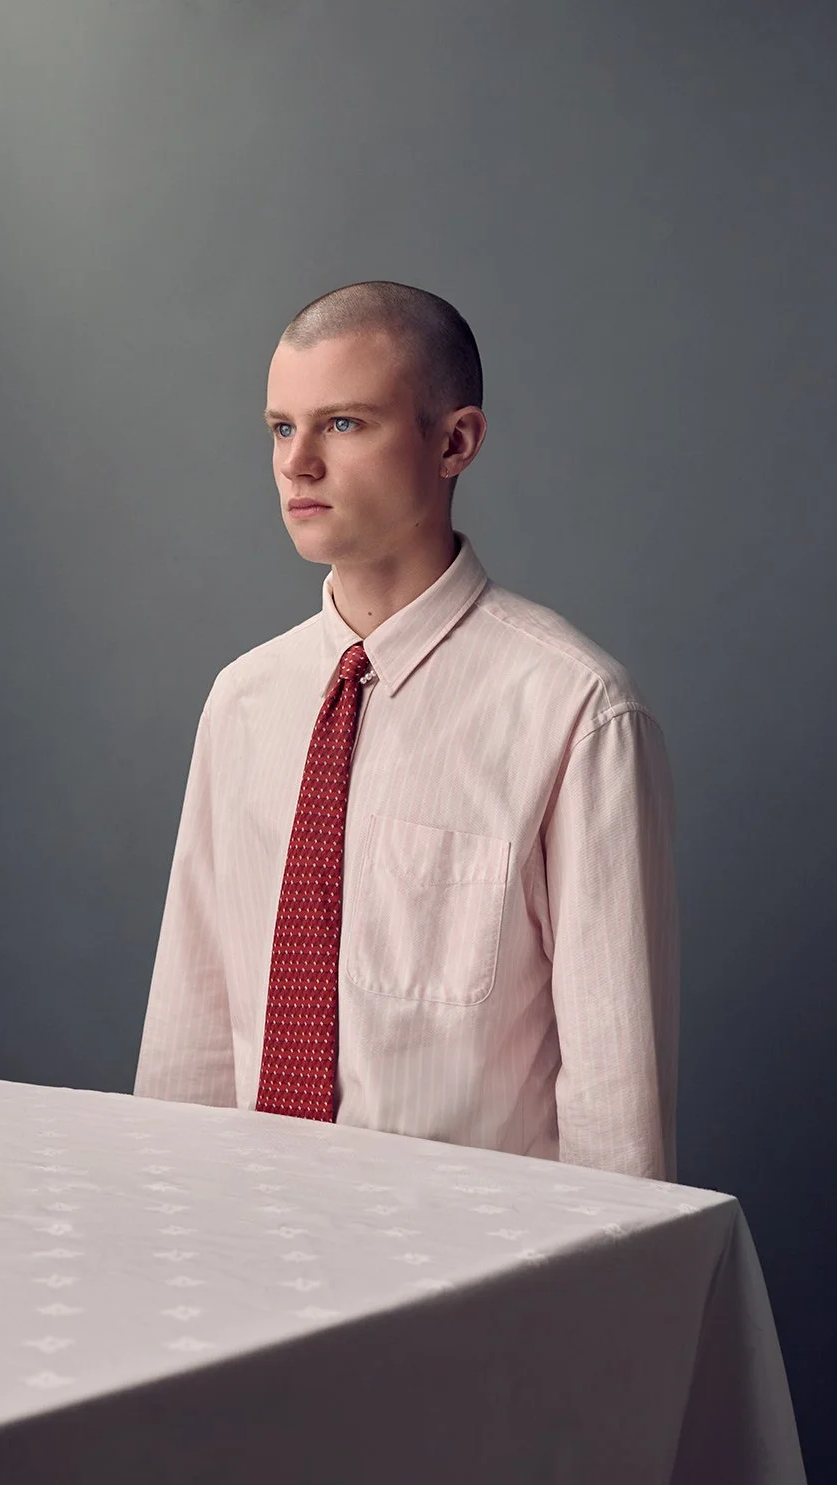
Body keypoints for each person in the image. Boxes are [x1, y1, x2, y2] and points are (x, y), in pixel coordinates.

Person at [134, 280, 679, 1181]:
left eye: (343, 423)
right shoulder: (243, 701)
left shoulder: (576, 712)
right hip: (249, 1229)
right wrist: (169, 1218)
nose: (296, 463)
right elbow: (190, 1029)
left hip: (475, 1255)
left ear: (453, 441)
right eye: (280, 427)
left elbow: (615, 1099)